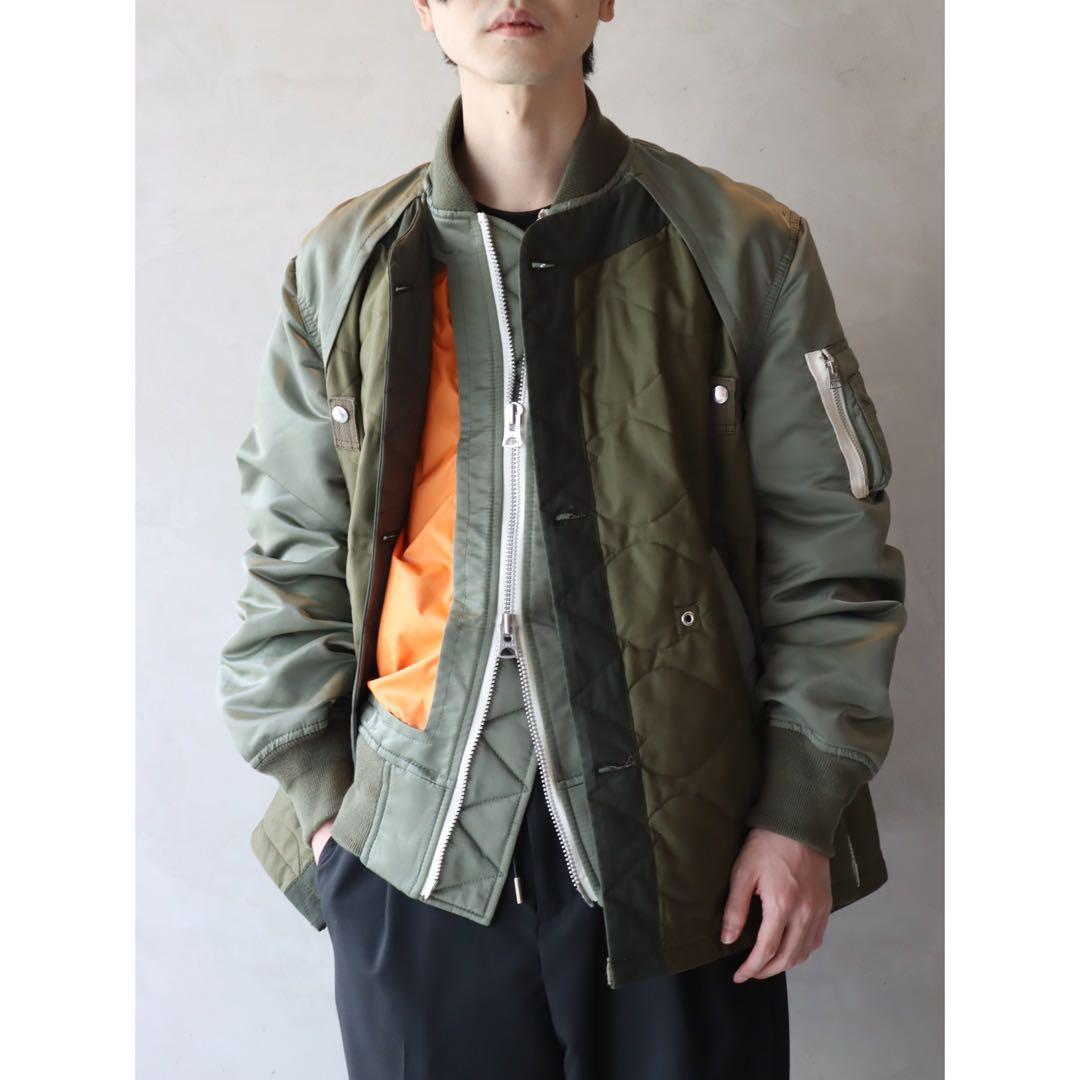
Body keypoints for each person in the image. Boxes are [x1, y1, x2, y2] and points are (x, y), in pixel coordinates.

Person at [217, 2, 907, 1077]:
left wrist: (799, 813)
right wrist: (323, 813)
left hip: (689, 860)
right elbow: (292, 556)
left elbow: (830, 557)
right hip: (411, 853)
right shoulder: (341, 265)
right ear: (425, 8)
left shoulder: (743, 246)